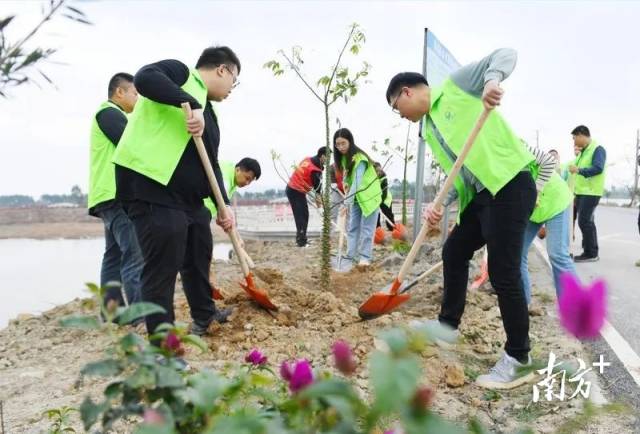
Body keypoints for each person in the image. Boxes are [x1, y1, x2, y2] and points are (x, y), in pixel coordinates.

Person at [387, 48, 537, 389]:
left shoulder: (455, 87)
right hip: (483, 195)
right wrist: (440, 203)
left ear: (407, 92)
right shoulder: (433, 126)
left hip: (509, 184)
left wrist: (492, 82)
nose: (401, 116)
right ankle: (447, 326)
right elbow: (460, 172)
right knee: (454, 251)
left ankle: (519, 358)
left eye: (398, 108)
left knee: (503, 272)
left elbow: (505, 54)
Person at [113, 46, 240, 339]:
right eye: (235, 80)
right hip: (151, 186)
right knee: (162, 266)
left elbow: (212, 164)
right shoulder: (181, 74)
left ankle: (204, 316)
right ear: (223, 69)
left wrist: (224, 204)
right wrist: (188, 100)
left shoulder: (211, 114)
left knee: (199, 253)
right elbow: (144, 78)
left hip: (188, 199)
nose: (233, 88)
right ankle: (162, 347)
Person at [88, 72, 143, 318]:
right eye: (135, 93)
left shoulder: (109, 114)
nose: (138, 98)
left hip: (105, 195)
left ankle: (111, 312)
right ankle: (139, 314)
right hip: (115, 195)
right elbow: (131, 145)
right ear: (119, 92)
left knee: (114, 255)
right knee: (134, 253)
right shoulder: (109, 113)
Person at [520, 144, 576, 304]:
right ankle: (522, 305)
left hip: (554, 200)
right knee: (516, 254)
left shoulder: (515, 143)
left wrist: (536, 191)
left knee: (557, 254)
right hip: (532, 209)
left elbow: (548, 161)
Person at [334, 128, 382, 266]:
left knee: (367, 229)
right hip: (356, 197)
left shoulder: (360, 158)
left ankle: (365, 258)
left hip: (369, 196)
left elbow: (357, 181)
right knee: (353, 227)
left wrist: (346, 203)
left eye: (343, 143)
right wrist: (345, 185)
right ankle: (350, 255)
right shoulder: (344, 159)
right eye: (338, 144)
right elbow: (348, 179)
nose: (341, 147)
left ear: (350, 141)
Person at [568, 125, 606, 262]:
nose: (574, 142)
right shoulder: (584, 151)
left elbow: (598, 168)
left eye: (574, 138)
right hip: (581, 192)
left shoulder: (597, 149)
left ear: (581, 135)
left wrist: (579, 170)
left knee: (584, 221)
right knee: (588, 221)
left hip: (591, 192)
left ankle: (591, 253)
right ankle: (590, 251)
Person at [285, 147, 328, 247]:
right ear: (322, 156)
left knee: (304, 215)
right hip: (295, 190)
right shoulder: (315, 171)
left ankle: (302, 239)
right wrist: (321, 208)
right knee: (301, 216)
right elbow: (318, 192)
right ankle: (301, 242)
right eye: (328, 158)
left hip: (295, 189)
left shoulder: (308, 159)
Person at [374, 162, 396, 231]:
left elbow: (384, 192)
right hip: (376, 198)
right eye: (376, 170)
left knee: (388, 214)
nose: (378, 172)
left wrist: (380, 202)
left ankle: (392, 228)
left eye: (379, 170)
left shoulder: (384, 178)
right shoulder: (373, 178)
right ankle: (377, 228)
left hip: (386, 199)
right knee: (376, 214)